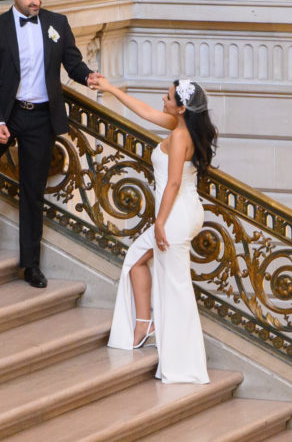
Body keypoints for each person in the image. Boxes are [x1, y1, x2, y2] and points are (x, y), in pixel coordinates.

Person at [0, 0, 103, 288]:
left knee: (32, 191)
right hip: (6, 113)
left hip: (41, 117)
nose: (37, 1)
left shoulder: (57, 24)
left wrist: (87, 76)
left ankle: (30, 265)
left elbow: (72, 62)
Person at [98, 77, 217, 384]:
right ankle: (144, 326)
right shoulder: (180, 126)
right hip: (185, 211)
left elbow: (174, 182)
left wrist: (160, 222)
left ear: (181, 107)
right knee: (137, 260)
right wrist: (111, 88)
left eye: (167, 97)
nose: (162, 100)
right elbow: (145, 112)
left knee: (176, 288)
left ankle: (184, 366)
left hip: (175, 216)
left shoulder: (179, 136)